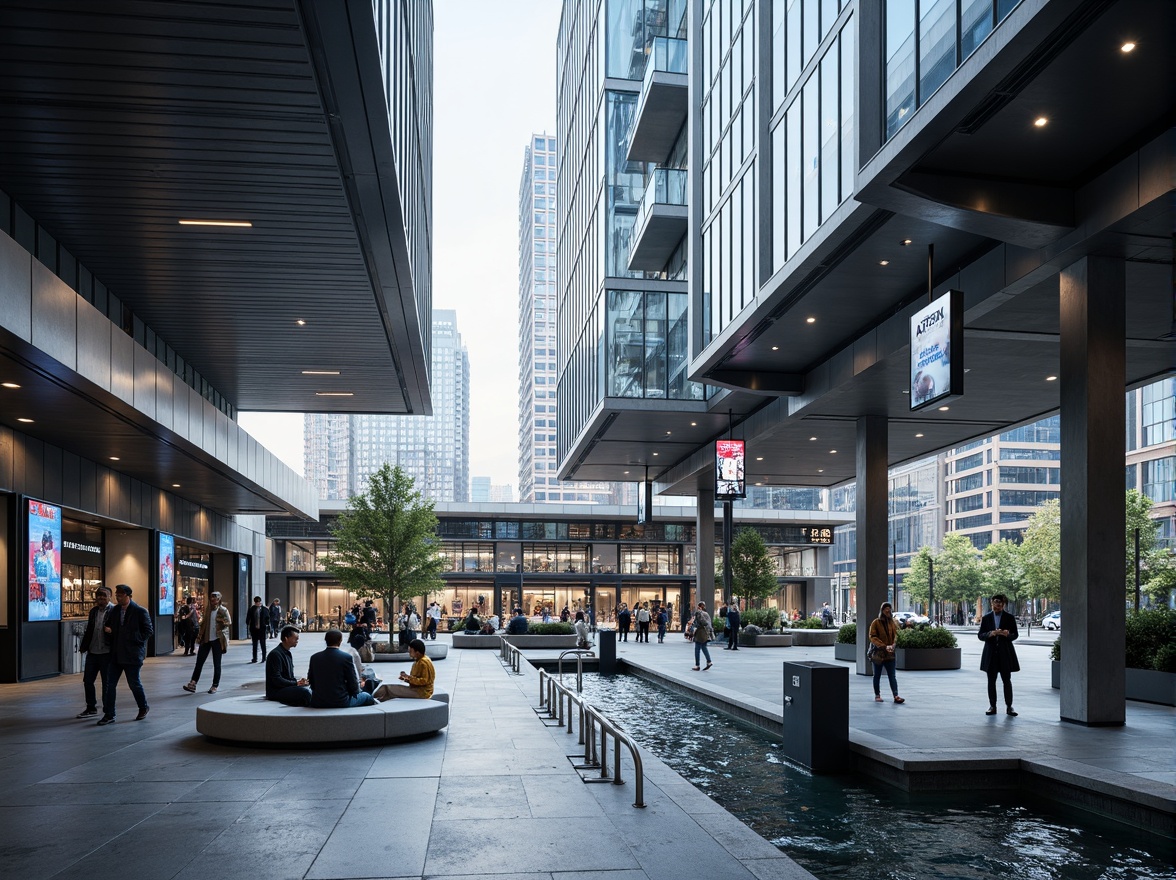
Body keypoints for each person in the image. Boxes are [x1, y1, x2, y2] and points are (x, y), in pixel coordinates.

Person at [99, 584, 153, 725]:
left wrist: (135, 640)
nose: (118, 597)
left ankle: (143, 707)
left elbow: (148, 631)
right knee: (110, 685)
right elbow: (109, 626)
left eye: (120, 595)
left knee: (134, 683)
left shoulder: (140, 611)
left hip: (132, 654)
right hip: (116, 654)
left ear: (129, 596)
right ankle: (109, 714)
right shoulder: (115, 610)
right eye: (117, 594)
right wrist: (109, 631)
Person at [307, 629, 375, 708]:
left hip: (318, 701)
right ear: (340, 641)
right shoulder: (346, 657)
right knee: (367, 696)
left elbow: (311, 680)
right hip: (341, 701)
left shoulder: (314, 657)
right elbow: (353, 683)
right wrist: (356, 692)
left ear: (325, 640)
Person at [979, 593, 1020, 716]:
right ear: (992, 603)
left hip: (1005, 653)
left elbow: (1015, 635)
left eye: (999, 603)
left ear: (1003, 605)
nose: (996, 606)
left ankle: (1009, 706)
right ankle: (992, 706)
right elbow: (980, 635)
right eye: (994, 603)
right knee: (991, 681)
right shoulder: (986, 618)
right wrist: (990, 634)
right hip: (991, 653)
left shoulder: (1009, 618)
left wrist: (1007, 635)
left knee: (1006, 680)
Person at [76, 586, 113, 718]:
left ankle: (107, 709)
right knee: (88, 680)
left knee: (106, 682)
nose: (101, 598)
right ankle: (91, 707)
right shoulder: (93, 611)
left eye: (104, 595)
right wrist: (84, 646)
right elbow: (90, 630)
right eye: (99, 595)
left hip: (107, 653)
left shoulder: (114, 611)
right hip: (93, 652)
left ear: (110, 597)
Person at [184, 591, 231, 695]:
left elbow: (228, 622)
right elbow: (204, 624)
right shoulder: (208, 611)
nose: (213, 600)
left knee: (217, 664)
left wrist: (221, 623)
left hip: (217, 640)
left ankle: (215, 685)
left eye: (215, 599)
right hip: (206, 639)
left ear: (219, 600)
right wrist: (200, 637)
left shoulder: (223, 610)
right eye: (212, 598)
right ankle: (193, 683)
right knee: (199, 662)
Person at [265, 626, 312, 706]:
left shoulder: (286, 653)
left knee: (311, 689)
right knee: (305, 693)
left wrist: (299, 682)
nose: (297, 641)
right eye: (295, 639)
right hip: (276, 690)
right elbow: (276, 679)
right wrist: (296, 683)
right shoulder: (275, 654)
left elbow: (288, 677)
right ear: (286, 638)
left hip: (285, 687)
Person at [868, 602, 905, 704]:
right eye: (886, 609)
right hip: (878, 654)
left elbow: (897, 634)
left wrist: (893, 644)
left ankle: (896, 695)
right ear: (882, 610)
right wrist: (883, 646)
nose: (888, 611)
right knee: (877, 675)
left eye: (889, 609)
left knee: (892, 676)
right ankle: (877, 695)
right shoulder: (876, 623)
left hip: (890, 653)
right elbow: (872, 636)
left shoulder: (892, 622)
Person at [689, 602, 714, 671]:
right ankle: (709, 661)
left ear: (699, 607)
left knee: (697, 649)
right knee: (704, 647)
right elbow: (709, 624)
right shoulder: (706, 614)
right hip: (706, 632)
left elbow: (699, 623)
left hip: (700, 632)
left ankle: (697, 665)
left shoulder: (699, 613)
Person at [246, 595, 268, 663]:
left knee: (263, 644)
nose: (257, 603)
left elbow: (267, 618)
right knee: (255, 644)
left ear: (260, 602)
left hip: (262, 629)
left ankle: (264, 657)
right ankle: (254, 658)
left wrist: (266, 624)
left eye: (258, 602)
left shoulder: (264, 609)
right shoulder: (251, 609)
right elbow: (248, 618)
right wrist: (248, 624)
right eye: (256, 602)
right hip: (254, 629)